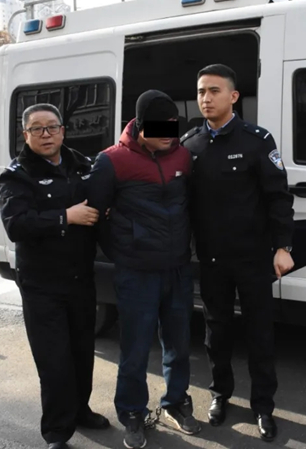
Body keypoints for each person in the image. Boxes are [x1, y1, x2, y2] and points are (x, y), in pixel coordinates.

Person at [181, 64, 295, 442]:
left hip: (253, 258)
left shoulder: (256, 140)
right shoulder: (190, 144)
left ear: (233, 96)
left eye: (214, 91)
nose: (206, 98)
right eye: (201, 91)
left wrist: (283, 246)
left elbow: (278, 197)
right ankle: (220, 394)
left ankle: (263, 406)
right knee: (217, 334)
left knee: (260, 335)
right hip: (211, 260)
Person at [88, 90, 201, 449]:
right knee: (135, 349)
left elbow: (192, 204)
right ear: (139, 126)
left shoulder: (183, 155)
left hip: (178, 269)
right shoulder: (112, 161)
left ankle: (176, 402)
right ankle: (132, 413)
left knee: (178, 344)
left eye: (172, 125)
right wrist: (123, 251)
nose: (169, 134)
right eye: (159, 127)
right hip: (136, 273)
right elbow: (95, 215)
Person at [0, 103, 110, 449]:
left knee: (81, 353)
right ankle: (57, 432)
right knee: (54, 361)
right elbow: (16, 225)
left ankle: (80, 410)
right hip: (42, 284)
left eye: (52, 127)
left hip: (80, 278)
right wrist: (65, 217)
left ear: (63, 130)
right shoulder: (16, 175)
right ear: (26, 134)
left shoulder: (82, 165)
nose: (45, 134)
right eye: (37, 128)